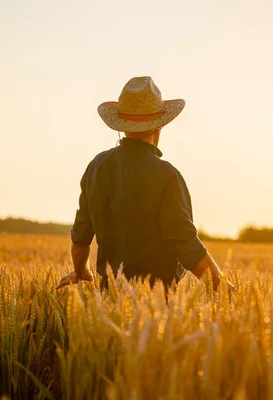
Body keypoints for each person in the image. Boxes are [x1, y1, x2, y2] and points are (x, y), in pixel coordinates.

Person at [56, 76, 234, 293]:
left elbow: (80, 238)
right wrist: (224, 288)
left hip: (109, 296)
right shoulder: (167, 175)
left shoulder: (97, 166)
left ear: (121, 126)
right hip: (158, 300)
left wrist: (80, 270)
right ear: (159, 125)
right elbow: (186, 245)